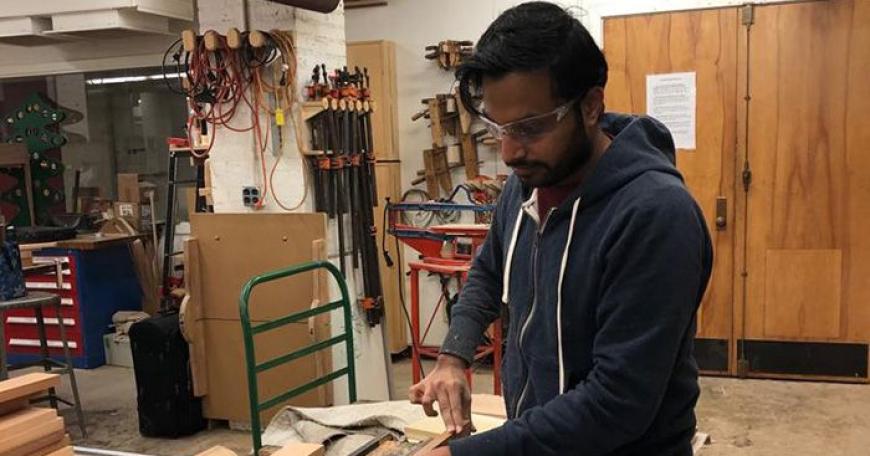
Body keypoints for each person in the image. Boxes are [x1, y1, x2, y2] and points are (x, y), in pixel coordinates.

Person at [408, 2, 714, 455]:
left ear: (590, 106)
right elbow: (489, 272)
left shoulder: (655, 215)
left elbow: (617, 403)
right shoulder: (526, 183)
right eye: (498, 127)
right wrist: (452, 358)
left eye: (530, 127)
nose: (510, 152)